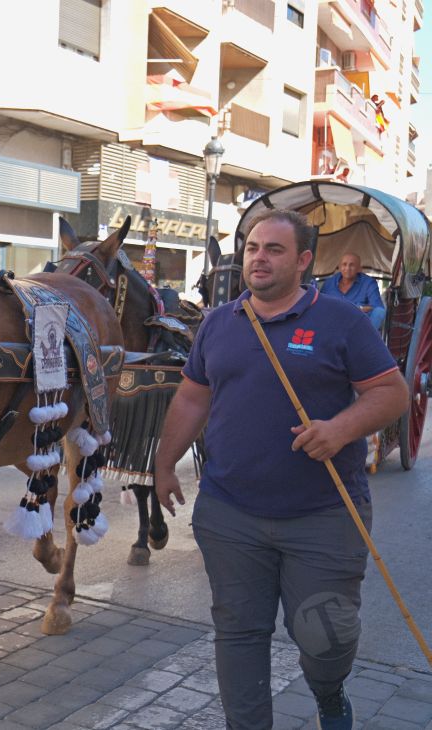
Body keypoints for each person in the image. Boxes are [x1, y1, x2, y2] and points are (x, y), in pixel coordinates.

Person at [153, 209, 408, 730]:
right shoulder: (219, 323)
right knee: (239, 631)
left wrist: (338, 429)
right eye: (252, 248)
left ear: (304, 261)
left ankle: (329, 693)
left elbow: (392, 393)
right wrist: (161, 465)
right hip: (229, 511)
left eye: (274, 249)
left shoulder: (343, 321)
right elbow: (191, 399)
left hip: (324, 514)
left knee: (324, 637)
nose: (259, 258)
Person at [320, 252, 387, 332]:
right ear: (339, 267)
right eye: (344, 264)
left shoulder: (369, 283)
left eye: (352, 265)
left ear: (359, 269)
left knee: (380, 311)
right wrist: (359, 308)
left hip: (358, 325)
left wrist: (354, 310)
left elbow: (377, 307)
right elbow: (321, 306)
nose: (347, 268)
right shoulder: (329, 283)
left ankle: (365, 339)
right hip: (332, 323)